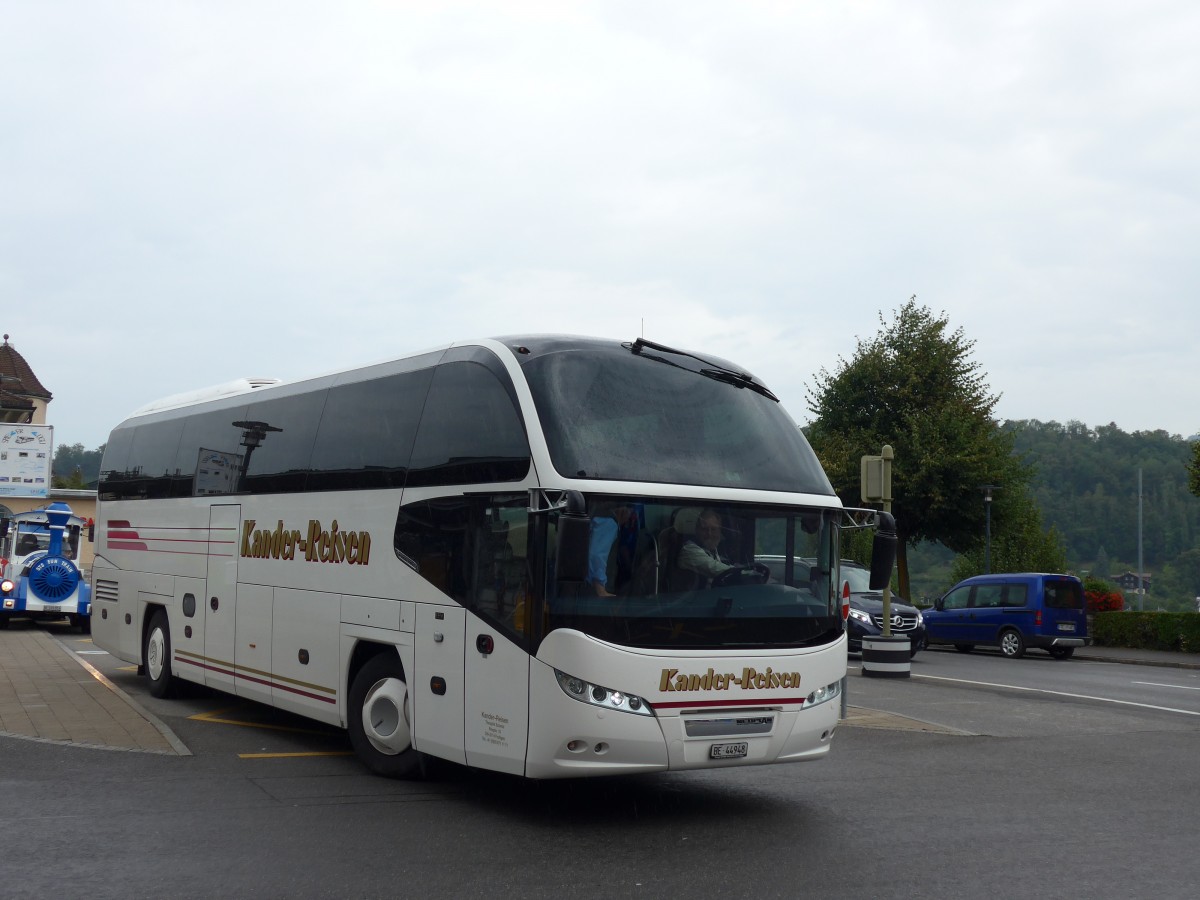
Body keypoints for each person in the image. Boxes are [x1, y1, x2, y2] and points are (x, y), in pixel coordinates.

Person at [675, 508, 734, 587]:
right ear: (697, 530)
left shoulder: (714, 550)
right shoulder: (689, 551)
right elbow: (718, 569)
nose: (709, 534)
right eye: (704, 529)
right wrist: (746, 572)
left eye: (713, 529)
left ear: (720, 531)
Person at [587, 502, 635, 596]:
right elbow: (596, 555)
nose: (628, 519)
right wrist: (600, 588)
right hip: (595, 591)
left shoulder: (599, 516)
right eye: (630, 513)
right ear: (624, 510)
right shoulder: (609, 522)